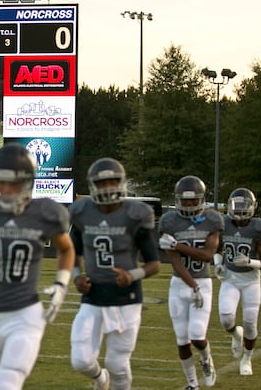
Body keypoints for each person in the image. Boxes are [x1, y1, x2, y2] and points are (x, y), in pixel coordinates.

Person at [0, 144, 75, 390]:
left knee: (7, 383)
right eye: (2, 182)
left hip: (26, 315)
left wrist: (62, 284)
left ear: (28, 183)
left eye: (15, 184)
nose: (8, 190)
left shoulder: (44, 212)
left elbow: (66, 248)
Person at [68, 158, 160, 390]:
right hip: (94, 297)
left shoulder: (135, 214)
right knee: (80, 360)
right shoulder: (81, 212)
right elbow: (72, 253)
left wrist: (133, 275)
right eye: (102, 183)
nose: (107, 187)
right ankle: (100, 378)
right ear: (92, 186)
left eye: (112, 182)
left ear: (121, 183)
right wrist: (77, 276)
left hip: (126, 298)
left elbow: (154, 264)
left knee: (117, 363)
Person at [158, 175, 223, 389]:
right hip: (180, 284)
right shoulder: (169, 222)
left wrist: (177, 245)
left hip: (203, 282)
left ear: (201, 200)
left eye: (192, 200)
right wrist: (191, 286)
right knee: (181, 339)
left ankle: (206, 359)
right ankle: (192, 384)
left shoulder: (212, 220)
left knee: (197, 335)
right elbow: (176, 264)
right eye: (184, 200)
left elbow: (206, 255)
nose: (187, 204)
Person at [214, 188, 261, 376]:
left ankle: (246, 359)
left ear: (252, 207)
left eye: (243, 206)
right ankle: (235, 335)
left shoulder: (259, 227)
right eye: (236, 206)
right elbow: (218, 248)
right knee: (225, 318)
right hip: (230, 278)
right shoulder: (224, 224)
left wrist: (250, 262)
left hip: (250, 281)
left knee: (250, 322)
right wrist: (217, 264)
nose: (239, 210)